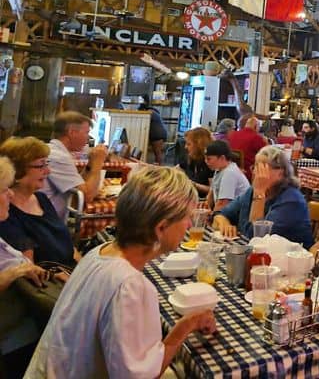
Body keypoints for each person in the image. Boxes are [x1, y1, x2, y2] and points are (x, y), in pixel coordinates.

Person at [24, 166, 216, 378]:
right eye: (187, 217)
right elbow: (140, 375)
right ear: (160, 228)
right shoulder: (129, 285)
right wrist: (186, 326)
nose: (189, 224)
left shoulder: (99, 253)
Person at [0, 155, 49, 372]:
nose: (10, 194)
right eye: (3, 190)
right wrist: (15, 273)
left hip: (29, 327)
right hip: (15, 340)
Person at [212, 146, 313, 247]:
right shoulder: (251, 191)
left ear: (280, 173)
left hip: (288, 259)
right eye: (255, 167)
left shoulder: (292, 201)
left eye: (262, 168)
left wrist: (259, 194)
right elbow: (220, 213)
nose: (256, 173)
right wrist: (225, 224)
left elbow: (255, 239)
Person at [0, 137, 76, 267]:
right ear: (18, 172)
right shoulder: (5, 212)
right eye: (41, 165)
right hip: (52, 282)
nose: (48, 171)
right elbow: (29, 270)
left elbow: (69, 247)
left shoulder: (41, 199)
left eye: (47, 164)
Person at [41, 111, 107, 221]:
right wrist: (98, 163)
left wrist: (91, 163)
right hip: (47, 223)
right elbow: (87, 196)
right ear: (72, 132)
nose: (88, 138)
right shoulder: (58, 156)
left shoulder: (55, 150)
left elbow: (79, 185)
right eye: (86, 132)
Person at [204, 140, 249, 212]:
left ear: (222, 158)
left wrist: (212, 218)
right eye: (205, 158)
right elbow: (212, 193)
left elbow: (222, 203)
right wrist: (205, 207)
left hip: (237, 217)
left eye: (209, 159)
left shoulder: (229, 173)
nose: (206, 162)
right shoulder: (219, 169)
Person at [225, 114, 267, 181]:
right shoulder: (256, 138)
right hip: (248, 173)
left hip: (231, 171)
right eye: (259, 127)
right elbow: (267, 154)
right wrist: (266, 141)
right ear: (256, 127)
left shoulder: (232, 135)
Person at [178, 126, 213, 197]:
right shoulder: (191, 158)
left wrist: (194, 185)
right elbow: (176, 169)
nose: (185, 147)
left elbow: (213, 191)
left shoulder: (210, 163)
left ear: (199, 145)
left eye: (188, 144)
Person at [139, 95, 168, 165]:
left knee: (157, 152)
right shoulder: (153, 111)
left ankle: (159, 168)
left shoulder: (149, 112)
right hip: (160, 133)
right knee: (157, 152)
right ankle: (157, 166)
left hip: (157, 134)